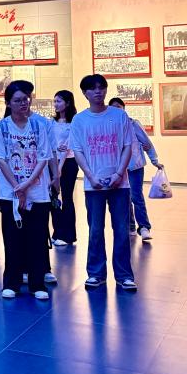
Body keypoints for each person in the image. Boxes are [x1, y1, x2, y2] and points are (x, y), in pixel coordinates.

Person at [70, 75, 136, 291]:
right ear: (85, 93)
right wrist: (90, 176)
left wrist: (119, 173)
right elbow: (78, 151)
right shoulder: (80, 120)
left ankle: (124, 275)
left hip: (120, 184)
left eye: (101, 87)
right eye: (93, 88)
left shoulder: (119, 115)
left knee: (122, 230)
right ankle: (96, 273)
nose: (98, 92)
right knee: (96, 230)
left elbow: (127, 146)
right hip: (94, 185)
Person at [0, 80, 53, 300]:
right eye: (17, 100)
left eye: (26, 99)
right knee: (12, 238)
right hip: (10, 193)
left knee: (37, 238)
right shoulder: (1, 127)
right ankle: (12, 283)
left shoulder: (38, 126)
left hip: (37, 192)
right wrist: (18, 188)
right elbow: (1, 159)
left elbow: (43, 158)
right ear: (8, 103)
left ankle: (38, 284)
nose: (23, 103)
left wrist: (26, 186)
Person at [108, 98, 162, 242]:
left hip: (134, 166)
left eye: (118, 107)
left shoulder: (133, 124)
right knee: (124, 198)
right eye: (113, 108)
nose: (116, 110)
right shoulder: (108, 126)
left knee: (136, 197)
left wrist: (155, 160)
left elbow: (147, 143)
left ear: (124, 108)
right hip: (118, 168)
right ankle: (130, 226)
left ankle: (144, 227)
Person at [51, 91, 80, 247]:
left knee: (67, 198)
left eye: (59, 101)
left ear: (67, 103)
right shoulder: (52, 122)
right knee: (53, 198)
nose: (55, 104)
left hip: (68, 163)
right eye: (55, 101)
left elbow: (68, 147)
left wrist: (59, 168)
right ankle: (57, 232)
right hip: (53, 162)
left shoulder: (74, 122)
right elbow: (51, 144)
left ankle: (68, 235)